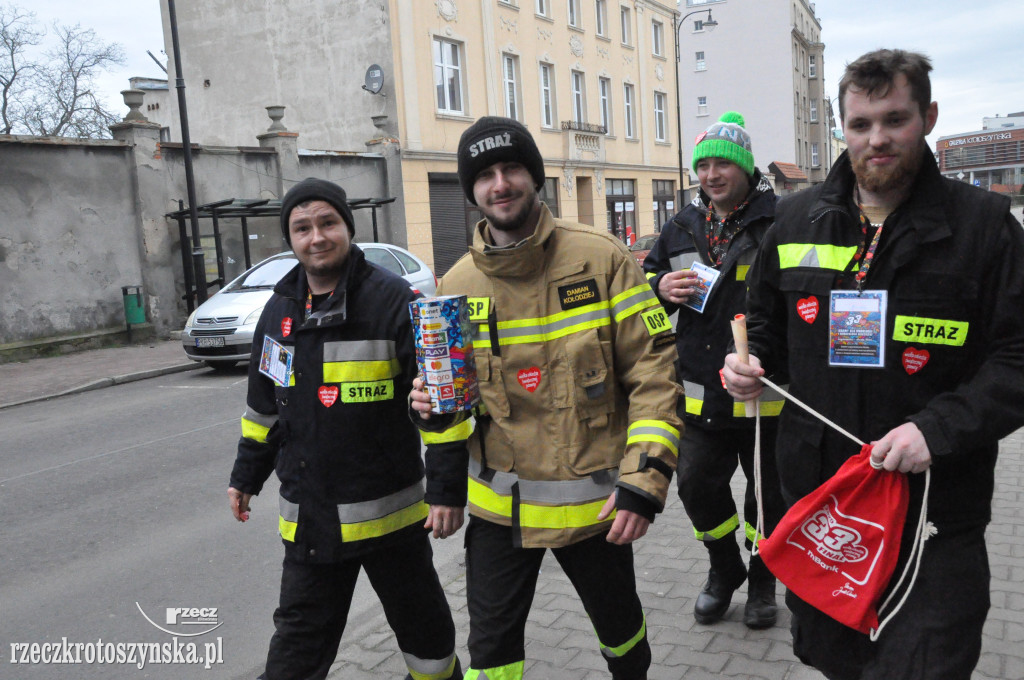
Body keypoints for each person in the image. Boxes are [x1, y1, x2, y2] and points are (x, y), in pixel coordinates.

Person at [722, 49, 1024, 679]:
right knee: (838, 661)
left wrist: (935, 431)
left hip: (933, 516)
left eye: (895, 119)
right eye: (860, 124)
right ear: (842, 128)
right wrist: (748, 366)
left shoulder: (985, 227)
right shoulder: (797, 219)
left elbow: (1016, 359)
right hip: (825, 507)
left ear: (929, 116)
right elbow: (766, 332)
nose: (877, 139)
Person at [410, 116, 683, 680]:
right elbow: (452, 410)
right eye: (484, 174)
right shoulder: (456, 286)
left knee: (623, 634)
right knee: (492, 657)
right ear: (473, 190)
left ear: (535, 177)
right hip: (497, 512)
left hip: (599, 508)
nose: (500, 183)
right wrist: (432, 413)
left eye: (511, 168)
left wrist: (644, 483)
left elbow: (653, 375)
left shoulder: (602, 258)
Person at [228, 178, 462, 680]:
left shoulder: (394, 301)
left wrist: (446, 491)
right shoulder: (279, 310)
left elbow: (439, 409)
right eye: (302, 227)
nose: (317, 237)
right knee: (292, 661)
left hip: (392, 526)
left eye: (327, 222)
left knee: (431, 650)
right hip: (311, 525)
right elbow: (264, 408)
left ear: (347, 228)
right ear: (290, 239)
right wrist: (246, 477)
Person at [643, 111, 786, 629]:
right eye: (702, 165)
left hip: (764, 397)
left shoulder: (780, 221)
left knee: (766, 499)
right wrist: (657, 287)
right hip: (700, 395)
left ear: (745, 168)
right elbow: (648, 282)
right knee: (696, 486)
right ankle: (725, 569)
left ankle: (764, 580)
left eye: (722, 163)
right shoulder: (682, 224)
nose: (710, 175)